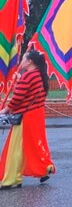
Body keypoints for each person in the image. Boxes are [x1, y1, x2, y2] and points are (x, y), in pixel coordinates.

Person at [0, 50, 56, 189]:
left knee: (16, 148)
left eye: (23, 59)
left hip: (26, 115)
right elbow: (30, 93)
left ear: (30, 61)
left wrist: (6, 109)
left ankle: (11, 179)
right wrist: (20, 80)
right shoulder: (39, 75)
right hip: (36, 114)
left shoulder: (29, 76)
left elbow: (18, 97)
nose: (21, 62)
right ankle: (43, 168)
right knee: (33, 145)